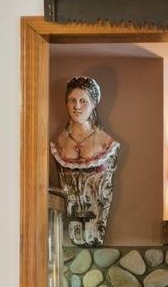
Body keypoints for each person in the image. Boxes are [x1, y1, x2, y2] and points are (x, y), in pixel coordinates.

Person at [52, 76, 121, 244]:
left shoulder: (106, 143)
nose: (77, 106)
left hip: (95, 225)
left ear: (93, 104)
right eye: (72, 100)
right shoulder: (59, 143)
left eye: (83, 101)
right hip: (70, 224)